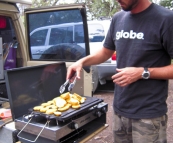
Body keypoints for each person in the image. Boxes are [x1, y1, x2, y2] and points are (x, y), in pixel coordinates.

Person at [66, 0, 173, 142]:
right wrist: (81, 62)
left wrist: (142, 72)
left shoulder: (166, 19)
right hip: (119, 111)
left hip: (148, 114)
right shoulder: (118, 18)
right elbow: (105, 52)